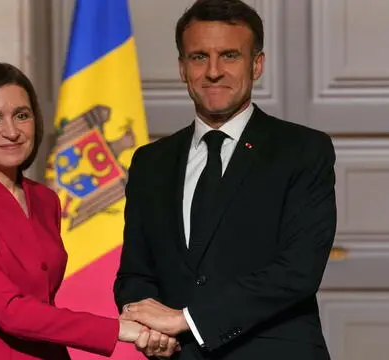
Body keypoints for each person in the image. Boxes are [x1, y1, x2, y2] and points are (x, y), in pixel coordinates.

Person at [114, 0, 337, 359]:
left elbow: (298, 271)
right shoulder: (150, 162)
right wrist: (148, 325)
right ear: (182, 68)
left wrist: (188, 319)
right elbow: (136, 272)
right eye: (199, 57)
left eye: (230, 55)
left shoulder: (303, 150)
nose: (213, 71)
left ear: (257, 64)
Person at [0, 61, 178, 360]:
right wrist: (122, 329)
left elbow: (42, 299)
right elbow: (9, 310)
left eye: (22, 115)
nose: (12, 131)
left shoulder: (44, 199)